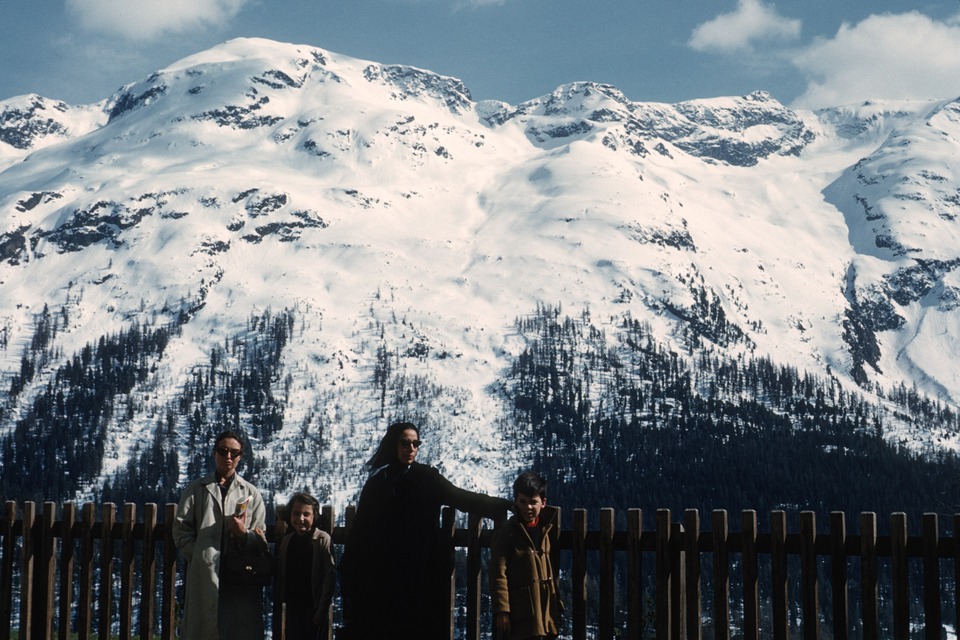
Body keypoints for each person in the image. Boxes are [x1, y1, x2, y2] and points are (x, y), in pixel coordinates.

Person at [339, 421, 513, 640]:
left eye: (415, 444)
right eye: (404, 443)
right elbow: (360, 532)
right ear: (393, 444)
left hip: (420, 574)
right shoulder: (377, 484)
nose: (410, 449)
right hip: (382, 578)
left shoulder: (427, 478)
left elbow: (460, 497)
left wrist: (501, 505)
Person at [173, 430, 267, 640]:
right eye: (223, 451)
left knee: (238, 628)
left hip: (240, 575)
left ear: (241, 457)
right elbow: (181, 530)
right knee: (205, 627)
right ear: (214, 453)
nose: (228, 457)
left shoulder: (251, 493)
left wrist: (244, 535)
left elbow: (261, 541)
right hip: (205, 573)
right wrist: (199, 555)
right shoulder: (197, 489)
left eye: (234, 452)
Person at [490, 472, 562, 640]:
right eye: (522, 501)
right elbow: (498, 574)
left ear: (543, 503)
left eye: (533, 502)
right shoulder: (507, 534)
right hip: (521, 611)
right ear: (516, 501)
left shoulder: (546, 530)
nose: (528, 507)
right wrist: (502, 610)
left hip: (546, 610)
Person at [275, 492, 336, 640]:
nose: (300, 519)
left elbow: (330, 576)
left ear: (314, 517)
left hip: (313, 609)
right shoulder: (287, 541)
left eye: (306, 514)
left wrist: (321, 610)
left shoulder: (322, 540)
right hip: (293, 607)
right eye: (296, 513)